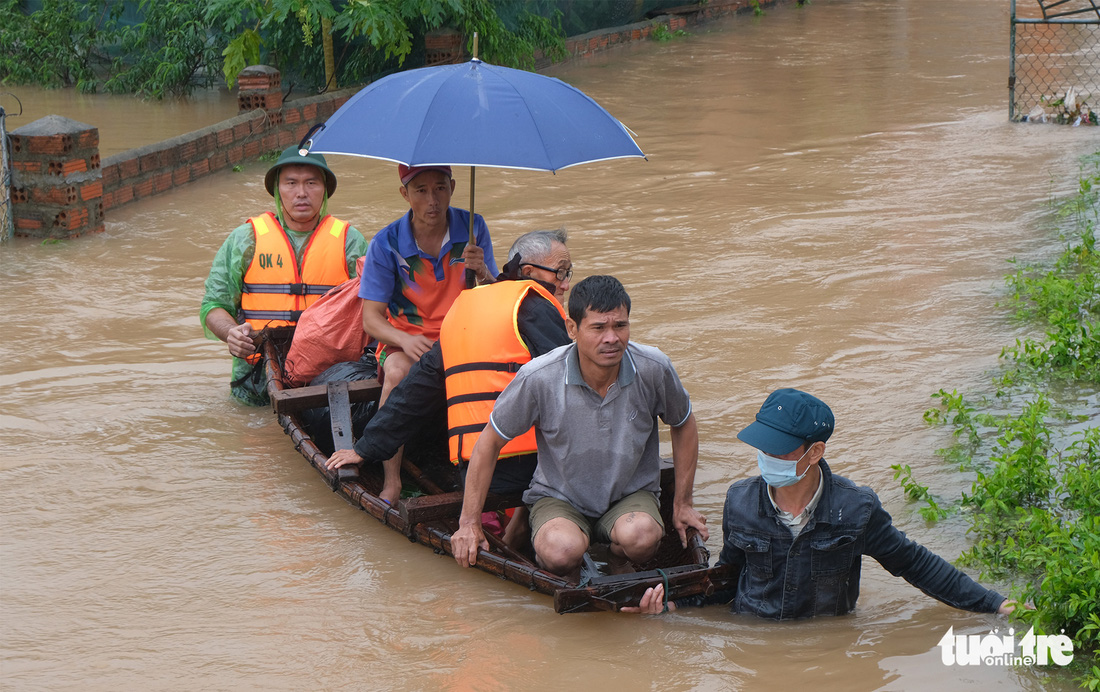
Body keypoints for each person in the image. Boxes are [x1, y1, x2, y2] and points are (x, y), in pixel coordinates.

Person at [623, 388, 1016, 618]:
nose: (765, 458)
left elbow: (915, 564)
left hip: (825, 634)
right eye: (763, 447)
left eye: (778, 451)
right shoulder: (740, 501)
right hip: (755, 641)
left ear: (814, 453)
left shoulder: (856, 511)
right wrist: (673, 604)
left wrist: (995, 605)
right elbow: (727, 579)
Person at [451, 275, 709, 578]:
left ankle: (618, 559)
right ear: (572, 329)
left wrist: (683, 503)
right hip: (560, 498)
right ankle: (572, 564)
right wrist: (469, 523)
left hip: (630, 496)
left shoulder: (653, 367)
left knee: (642, 538)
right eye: (598, 328)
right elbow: (489, 442)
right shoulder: (540, 377)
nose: (611, 338)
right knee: (561, 553)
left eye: (620, 326)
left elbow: (683, 423)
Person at [326, 229, 573, 535]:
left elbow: (415, 390)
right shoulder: (535, 305)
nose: (564, 283)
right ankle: (520, 531)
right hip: (527, 469)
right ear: (527, 272)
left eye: (567, 273)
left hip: (473, 470)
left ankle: (513, 531)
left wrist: (364, 447)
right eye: (561, 273)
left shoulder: (462, 310)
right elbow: (572, 385)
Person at [356, 164, 498, 503]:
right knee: (397, 372)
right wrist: (404, 340)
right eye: (421, 190)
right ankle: (391, 479)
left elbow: (496, 296)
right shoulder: (386, 243)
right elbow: (371, 320)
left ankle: (489, 476)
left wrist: (485, 272)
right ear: (405, 194)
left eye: (440, 188)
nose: (432, 200)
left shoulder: (473, 227)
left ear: (452, 187)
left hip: (462, 336)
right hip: (408, 338)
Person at [200, 147, 368, 405]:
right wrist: (232, 333)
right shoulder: (246, 239)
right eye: (291, 183)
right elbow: (214, 306)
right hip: (254, 378)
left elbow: (372, 308)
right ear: (278, 190)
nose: (301, 193)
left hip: (328, 376)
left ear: (324, 190)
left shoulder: (350, 242)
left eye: (311, 183)